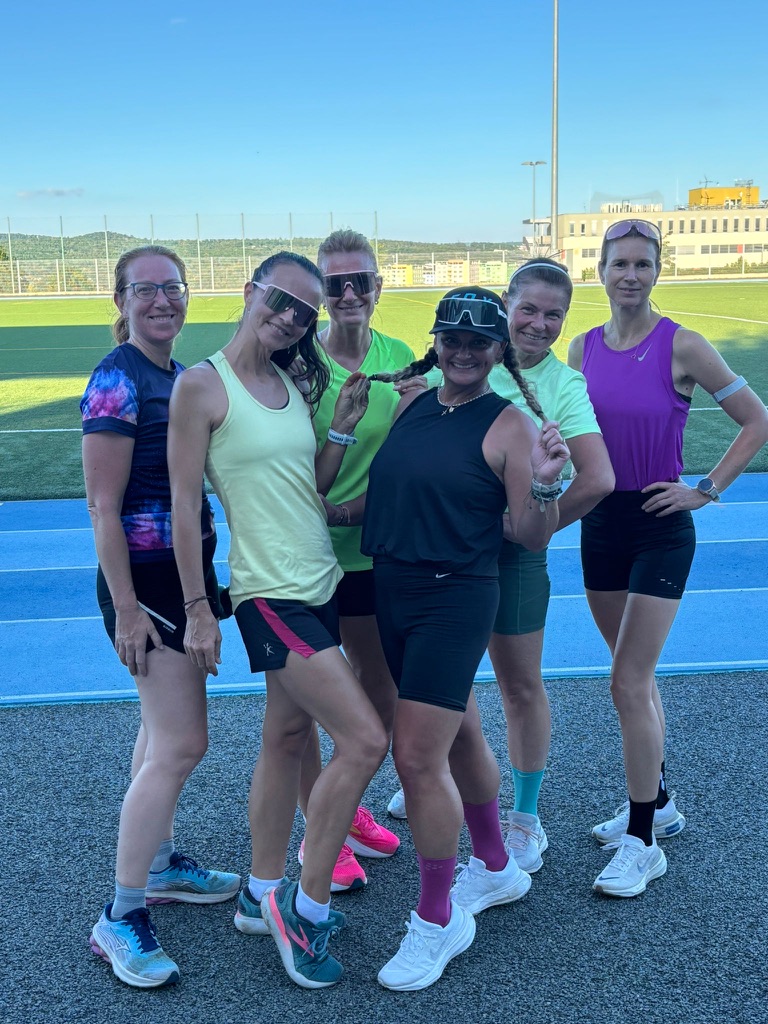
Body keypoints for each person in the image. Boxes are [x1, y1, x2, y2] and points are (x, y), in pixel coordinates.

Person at [168, 251, 390, 989]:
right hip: (268, 595)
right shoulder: (202, 386)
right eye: (281, 301)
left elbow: (307, 488)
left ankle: (259, 894)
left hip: (320, 580)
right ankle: (304, 904)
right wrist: (199, 609)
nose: (292, 318)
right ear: (249, 292)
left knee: (287, 739)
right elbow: (184, 506)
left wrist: (342, 430)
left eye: (305, 311)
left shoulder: (293, 383)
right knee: (365, 739)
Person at [361, 287, 570, 990]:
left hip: (454, 596)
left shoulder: (510, 425)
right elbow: (395, 494)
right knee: (460, 735)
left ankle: (436, 918)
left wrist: (545, 486)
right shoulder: (414, 405)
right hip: (393, 587)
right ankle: (497, 864)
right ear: (436, 340)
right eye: (451, 337)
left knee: (416, 758)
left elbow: (529, 534)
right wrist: (320, 505)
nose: (462, 351)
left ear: (498, 350)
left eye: (479, 342)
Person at [387, 261, 614, 876]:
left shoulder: (561, 384)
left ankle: (524, 816)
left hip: (507, 561)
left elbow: (598, 478)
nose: (538, 323)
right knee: (446, 686)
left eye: (553, 315)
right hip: (436, 558)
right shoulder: (456, 362)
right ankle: (444, 776)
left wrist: (523, 524)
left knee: (519, 685)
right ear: (505, 306)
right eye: (528, 309)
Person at [568, 219, 768, 897]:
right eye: (619, 263)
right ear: (601, 270)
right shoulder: (583, 347)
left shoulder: (682, 344)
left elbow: (757, 420)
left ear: (658, 270)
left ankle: (643, 841)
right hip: (601, 524)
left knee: (627, 682)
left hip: (660, 525)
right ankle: (659, 803)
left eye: (643, 264)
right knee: (633, 676)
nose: (630, 275)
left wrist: (706, 489)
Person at [82, 245, 240, 990]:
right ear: (121, 300)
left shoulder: (177, 377)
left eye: (172, 288)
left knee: (157, 733)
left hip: (182, 577)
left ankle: (160, 864)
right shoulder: (118, 378)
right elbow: (102, 506)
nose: (161, 300)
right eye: (144, 289)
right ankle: (120, 914)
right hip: (146, 587)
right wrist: (125, 610)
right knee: (182, 742)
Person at [292, 229, 414, 891]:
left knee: (379, 692)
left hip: (373, 554)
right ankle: (321, 828)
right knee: (303, 706)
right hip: (304, 561)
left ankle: (344, 804)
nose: (347, 294)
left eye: (358, 281)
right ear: (320, 292)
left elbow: (408, 463)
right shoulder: (296, 363)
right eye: (334, 284)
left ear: (377, 287)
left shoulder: (401, 360)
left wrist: (350, 513)